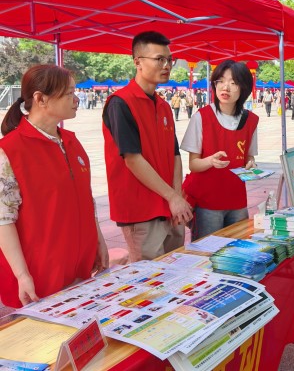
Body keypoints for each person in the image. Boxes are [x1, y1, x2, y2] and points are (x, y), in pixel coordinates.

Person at [0, 65, 108, 308]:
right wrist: (22, 275)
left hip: (79, 269)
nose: (76, 99)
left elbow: (86, 198)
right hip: (39, 278)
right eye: (69, 93)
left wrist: (98, 240)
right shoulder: (10, 151)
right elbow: (3, 219)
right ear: (40, 99)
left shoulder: (71, 142)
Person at [102, 31, 192, 262]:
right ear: (138, 62)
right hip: (141, 210)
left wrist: (176, 195)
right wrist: (172, 196)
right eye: (159, 59)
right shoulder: (120, 103)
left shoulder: (163, 106)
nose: (166, 65)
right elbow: (132, 159)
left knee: (176, 269)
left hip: (170, 206)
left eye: (169, 60)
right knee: (149, 277)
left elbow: (175, 154)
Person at [181, 60, 259, 240]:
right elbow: (193, 164)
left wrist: (251, 163)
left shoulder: (250, 120)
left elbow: (249, 157)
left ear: (243, 88)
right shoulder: (202, 117)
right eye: (221, 81)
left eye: (233, 82)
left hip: (237, 200)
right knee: (207, 250)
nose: (226, 87)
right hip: (208, 202)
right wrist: (210, 161)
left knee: (238, 249)